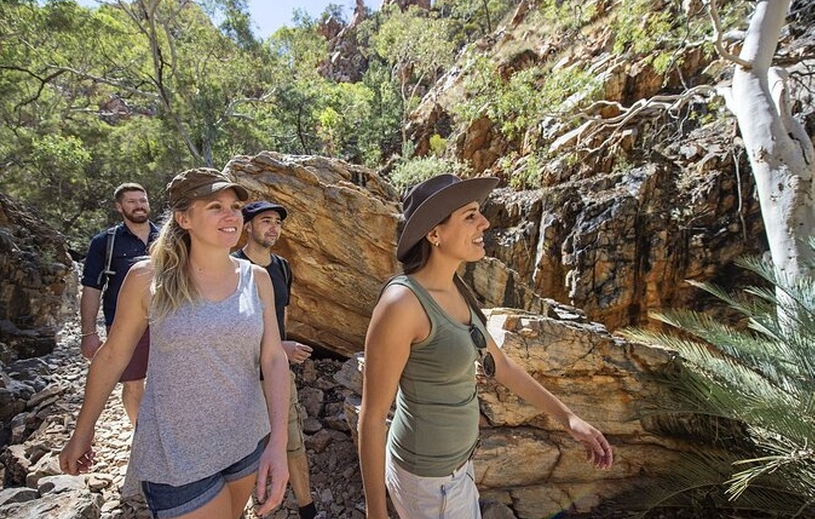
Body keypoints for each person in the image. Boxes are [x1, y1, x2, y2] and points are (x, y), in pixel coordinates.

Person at [358, 174, 614, 519]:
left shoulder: (456, 288)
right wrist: (376, 513)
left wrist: (568, 419)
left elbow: (501, 366)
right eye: (470, 216)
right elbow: (372, 417)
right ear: (434, 234)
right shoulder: (402, 304)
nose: (485, 222)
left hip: (456, 470)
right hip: (431, 484)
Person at [60, 168, 291, 519]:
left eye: (234, 206)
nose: (231, 216)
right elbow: (113, 356)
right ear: (184, 218)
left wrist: (278, 441)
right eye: (215, 206)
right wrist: (83, 430)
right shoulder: (147, 278)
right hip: (177, 455)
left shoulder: (256, 278)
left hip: (247, 438)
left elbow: (273, 359)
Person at [233, 200, 320, 519]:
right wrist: (278, 346)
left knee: (292, 443)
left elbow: (281, 317)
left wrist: (279, 350)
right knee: (241, 449)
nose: (273, 227)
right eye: (265, 220)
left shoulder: (282, 267)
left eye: (278, 222)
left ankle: (308, 509)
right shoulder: (231, 267)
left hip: (276, 373)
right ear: (248, 227)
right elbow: (224, 332)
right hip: (236, 376)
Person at [80, 182, 159, 426]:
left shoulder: (168, 237)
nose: (139, 206)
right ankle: (141, 434)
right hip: (123, 324)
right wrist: (88, 332)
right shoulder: (105, 242)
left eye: (142, 200)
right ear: (119, 206)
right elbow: (92, 288)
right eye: (131, 202)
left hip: (167, 320)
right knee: (134, 383)